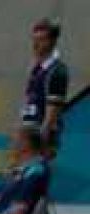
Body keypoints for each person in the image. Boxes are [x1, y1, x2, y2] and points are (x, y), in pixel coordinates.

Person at [22, 18, 70, 155]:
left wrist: (42, 138)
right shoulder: (36, 69)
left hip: (41, 138)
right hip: (29, 133)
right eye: (34, 39)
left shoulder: (57, 71)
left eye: (41, 40)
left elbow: (53, 110)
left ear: (52, 42)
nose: (35, 45)